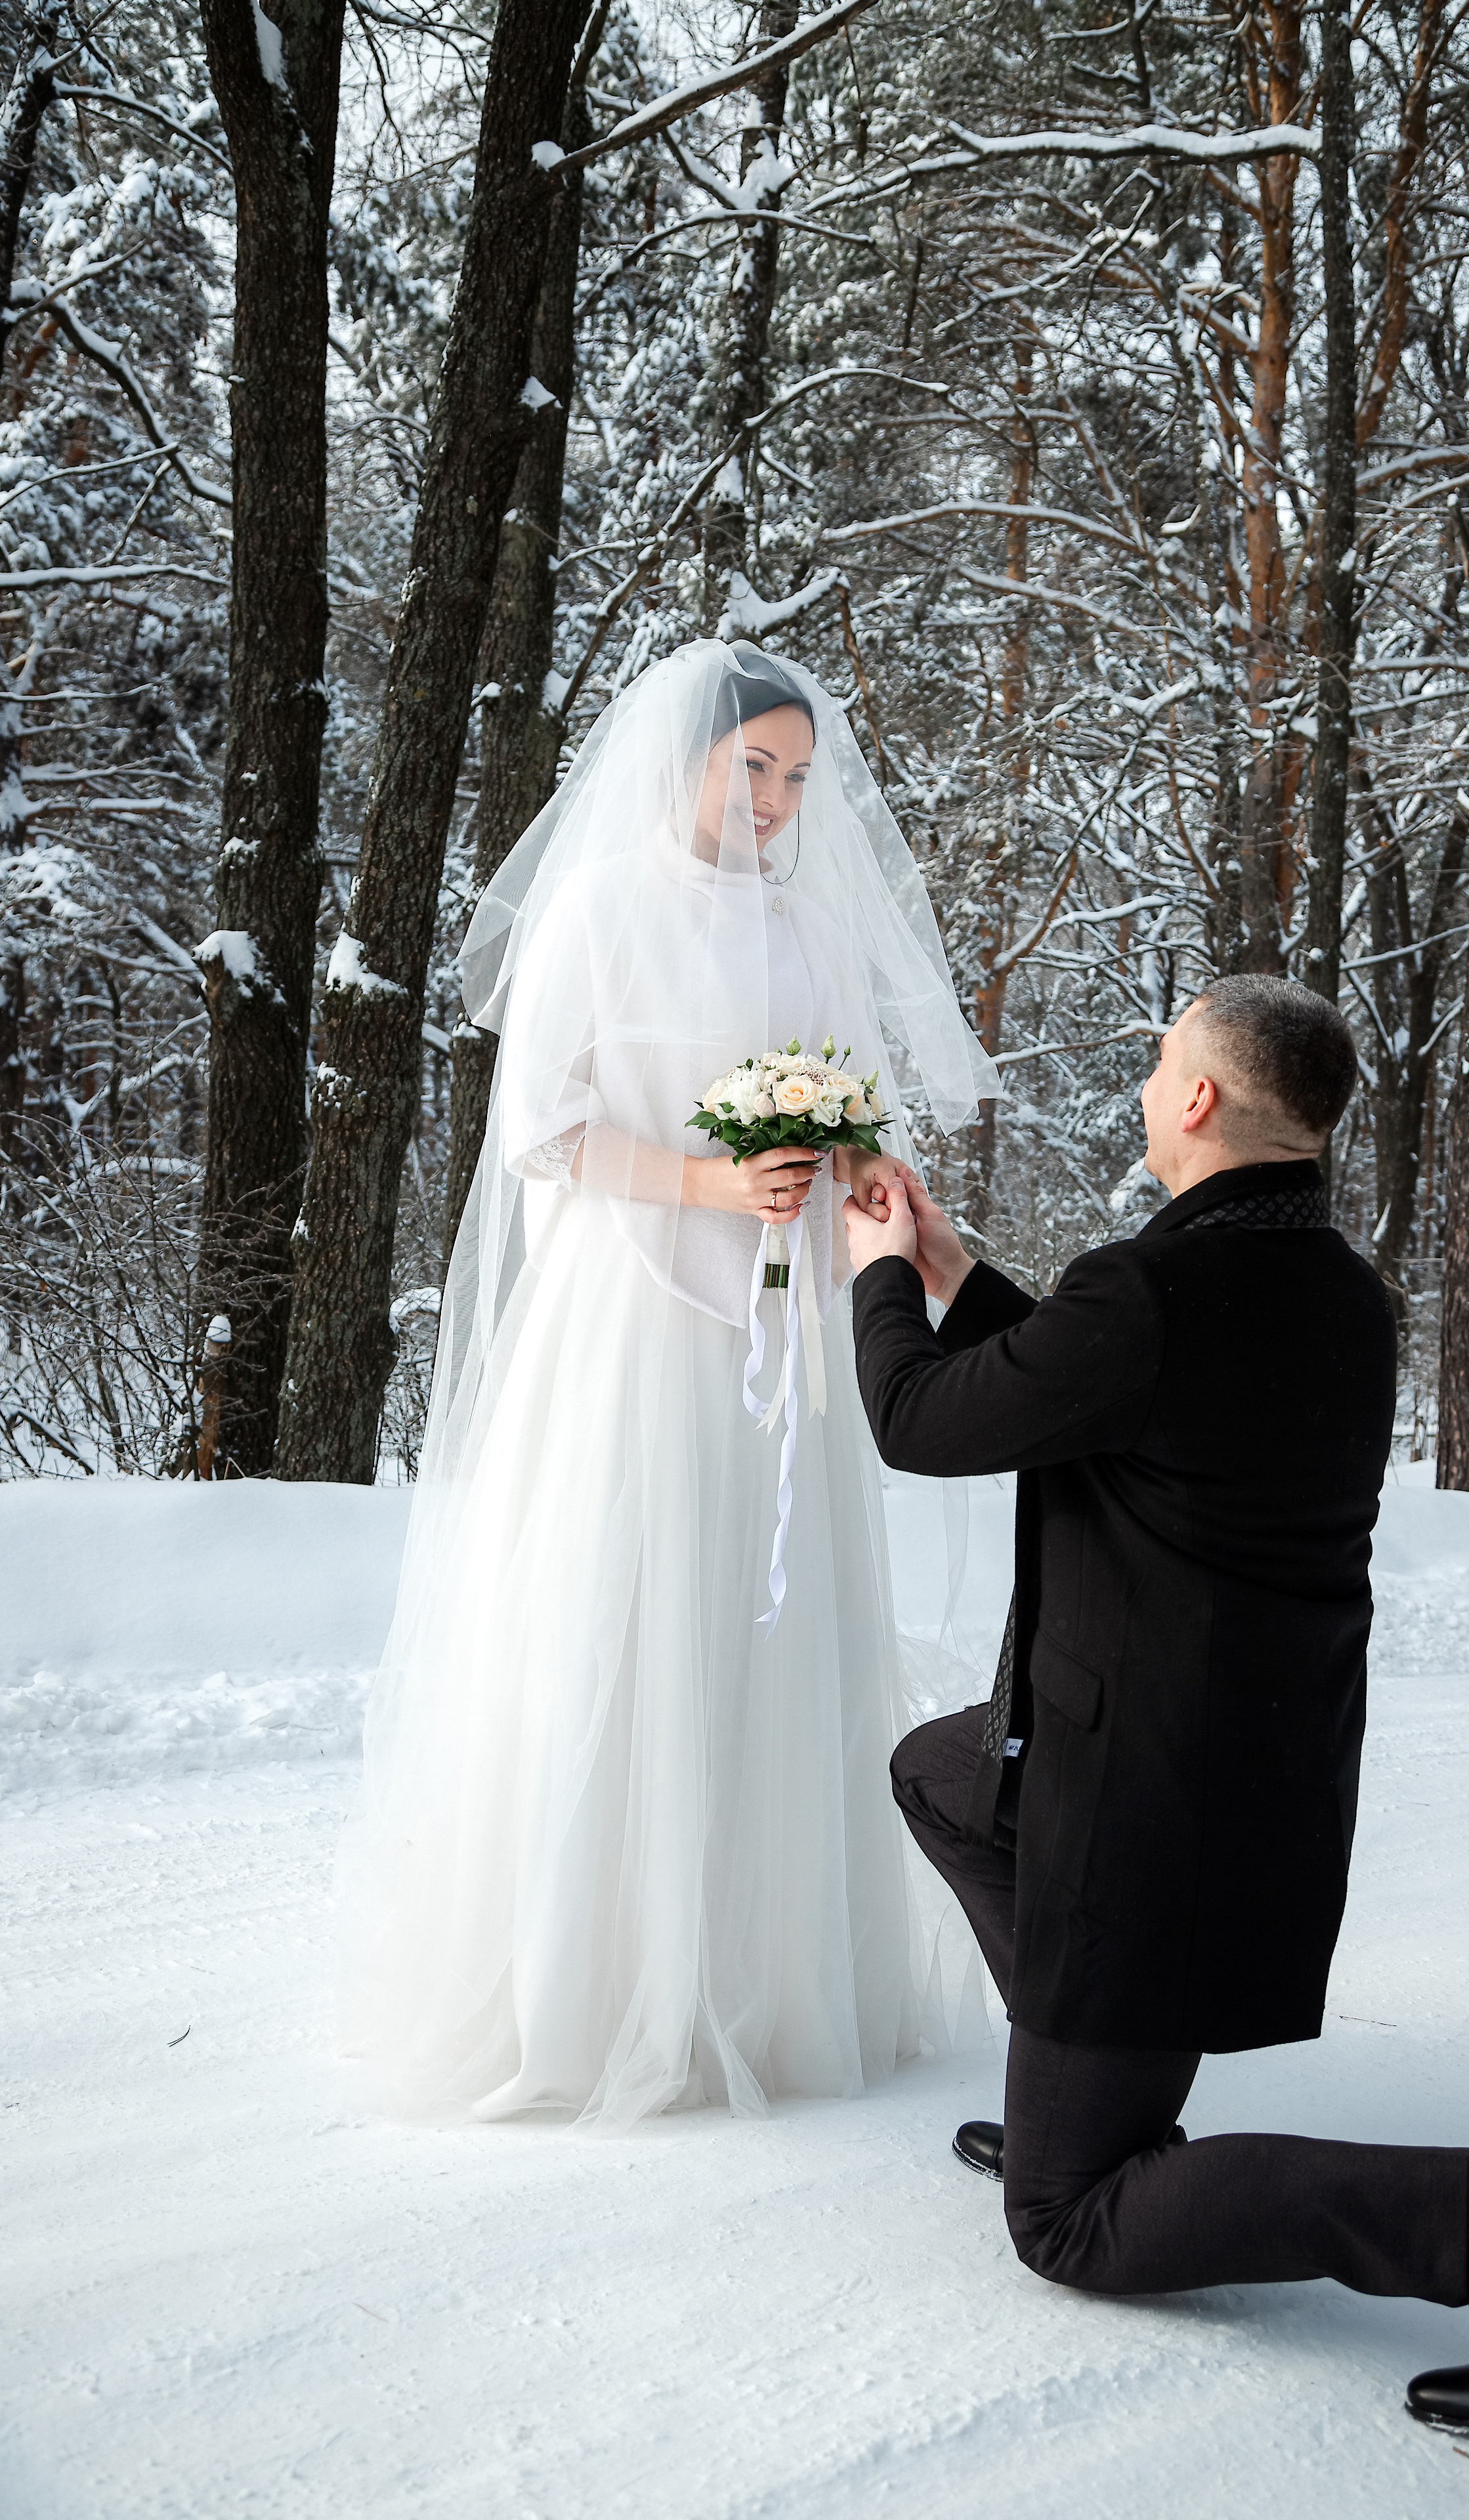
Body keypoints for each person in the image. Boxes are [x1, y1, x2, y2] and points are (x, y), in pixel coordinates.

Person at [841, 975, 1469, 2438]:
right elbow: (1108, 1396)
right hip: (1247, 1771)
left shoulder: (1148, 1291)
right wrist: (957, 1270)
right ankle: (1072, 2073)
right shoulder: (1335, 1291)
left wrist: (880, 1273)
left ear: (1198, 1100)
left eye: (1160, 1064)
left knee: (1066, 2220)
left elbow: (920, 1424)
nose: (1149, 1086)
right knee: (943, 1774)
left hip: (1137, 1801)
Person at [338, 638, 995, 2128]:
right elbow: (545, 1131)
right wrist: (711, 1184)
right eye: (751, 766)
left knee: (770, 1622)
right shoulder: (603, 905)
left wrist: (845, 1171)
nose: (774, 800)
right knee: (623, 1610)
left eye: (797, 777)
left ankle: (769, 1975)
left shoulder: (811, 927)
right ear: (682, 758)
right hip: (632, 1318)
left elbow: (848, 1104)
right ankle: (598, 1981)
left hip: (780, 1321)